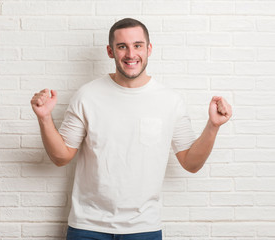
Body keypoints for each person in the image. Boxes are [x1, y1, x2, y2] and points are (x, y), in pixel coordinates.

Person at [30, 18, 232, 240]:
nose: (130, 54)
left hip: (144, 228)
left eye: (137, 45)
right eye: (122, 46)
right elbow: (61, 157)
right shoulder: (87, 96)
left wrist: (213, 126)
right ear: (110, 51)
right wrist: (45, 119)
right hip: (88, 226)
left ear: (149, 49)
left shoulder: (170, 100)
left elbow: (191, 163)